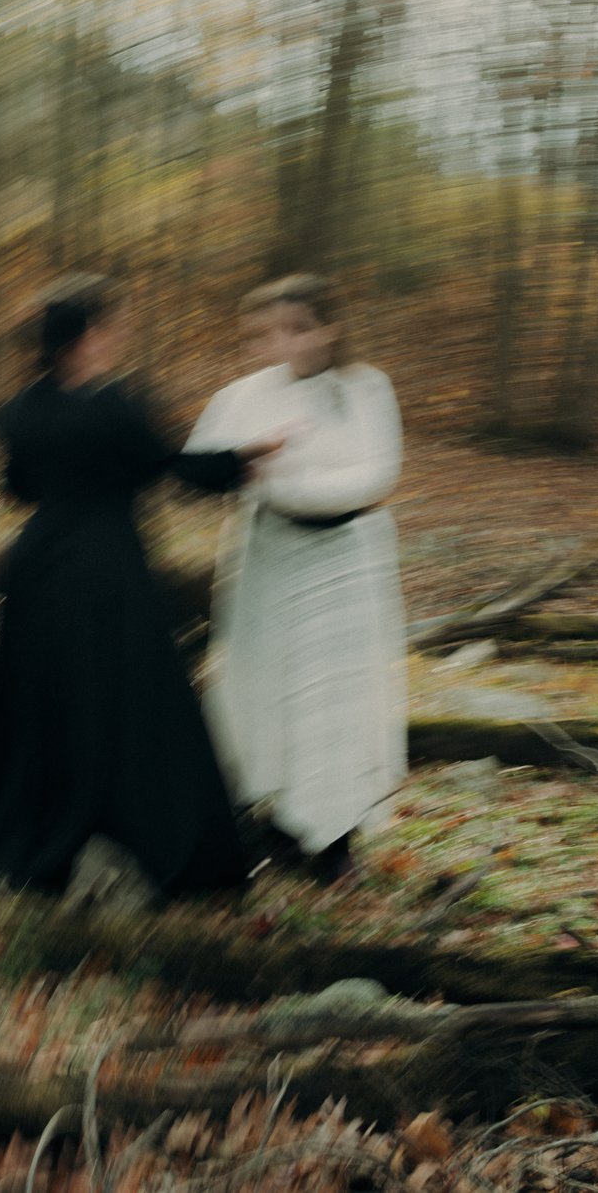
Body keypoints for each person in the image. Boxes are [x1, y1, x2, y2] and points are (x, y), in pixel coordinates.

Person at [0, 274, 285, 902]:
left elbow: (15, 489)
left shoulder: (22, 406)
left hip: (37, 567)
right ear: (87, 337)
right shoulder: (116, 404)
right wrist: (246, 459)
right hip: (106, 565)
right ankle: (145, 834)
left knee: (41, 699)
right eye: (113, 325)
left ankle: (31, 835)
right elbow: (168, 470)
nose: (121, 336)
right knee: (130, 696)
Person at [186, 274, 407, 883]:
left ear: (330, 328)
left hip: (346, 560)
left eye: (299, 327)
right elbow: (205, 463)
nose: (284, 342)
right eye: (273, 331)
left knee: (335, 693)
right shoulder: (243, 395)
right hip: (269, 562)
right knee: (264, 687)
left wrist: (283, 486)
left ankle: (334, 838)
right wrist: (245, 473)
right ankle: (274, 823)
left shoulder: (365, 389)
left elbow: (376, 474)